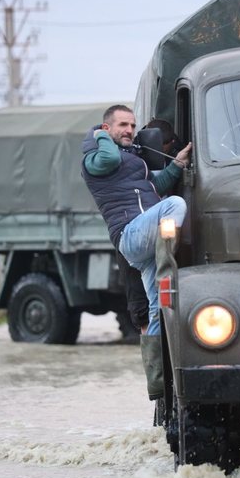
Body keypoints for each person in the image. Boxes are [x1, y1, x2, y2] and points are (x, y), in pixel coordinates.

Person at [81, 104, 192, 401]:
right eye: (122, 126)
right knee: (175, 206)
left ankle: (157, 385)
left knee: (156, 309)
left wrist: (177, 164)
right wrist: (99, 135)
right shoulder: (96, 157)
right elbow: (107, 156)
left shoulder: (130, 160)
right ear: (107, 129)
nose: (130, 130)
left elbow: (153, 187)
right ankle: (167, 263)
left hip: (145, 240)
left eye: (132, 125)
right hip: (131, 233)